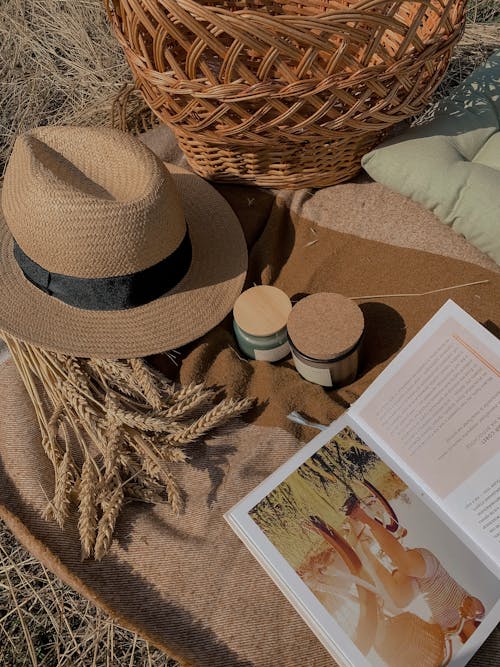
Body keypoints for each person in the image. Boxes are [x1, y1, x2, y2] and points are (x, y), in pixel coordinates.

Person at [345, 496, 485, 639]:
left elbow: (425, 628)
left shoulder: (447, 632)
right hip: (431, 571)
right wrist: (470, 607)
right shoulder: (479, 615)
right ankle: (362, 514)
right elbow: (475, 605)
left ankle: (362, 543)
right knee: (408, 567)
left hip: (419, 585)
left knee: (400, 600)